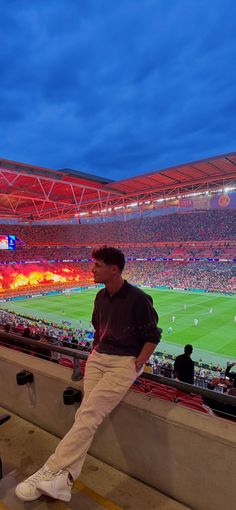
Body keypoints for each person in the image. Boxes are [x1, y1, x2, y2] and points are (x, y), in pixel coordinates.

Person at [15, 246, 162, 502]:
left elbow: (153, 335)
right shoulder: (100, 297)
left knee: (88, 414)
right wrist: (95, 351)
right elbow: (98, 327)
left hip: (123, 363)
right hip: (98, 359)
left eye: (97, 265)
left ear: (114, 269)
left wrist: (139, 361)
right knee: (87, 416)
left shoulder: (139, 298)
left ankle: (48, 470)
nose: (91, 269)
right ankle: (65, 480)